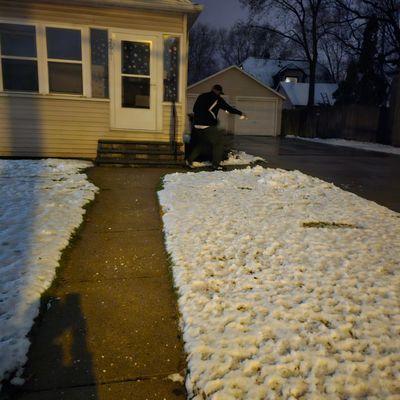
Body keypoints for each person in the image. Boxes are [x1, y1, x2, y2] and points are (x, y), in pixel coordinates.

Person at [187, 84, 247, 170]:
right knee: (218, 143)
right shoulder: (217, 99)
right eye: (219, 92)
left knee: (202, 144)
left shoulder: (201, 96)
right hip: (207, 125)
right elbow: (228, 108)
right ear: (217, 91)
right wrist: (240, 113)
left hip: (196, 124)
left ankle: (189, 160)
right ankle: (215, 165)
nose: (219, 94)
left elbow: (194, 109)